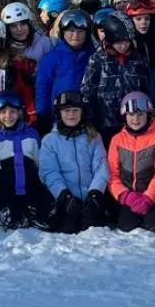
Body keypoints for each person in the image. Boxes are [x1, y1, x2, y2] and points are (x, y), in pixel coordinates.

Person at [39, 89, 110, 232]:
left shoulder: (93, 137)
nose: (71, 114)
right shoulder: (50, 140)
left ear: (82, 112)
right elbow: (49, 172)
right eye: (66, 111)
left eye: (75, 110)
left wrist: (95, 194)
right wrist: (64, 196)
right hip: (67, 200)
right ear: (59, 113)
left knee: (94, 229)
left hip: (90, 199)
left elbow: (101, 167)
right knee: (68, 229)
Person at [0, 91, 49, 230]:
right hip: (6, 191)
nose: (8, 116)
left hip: (29, 189)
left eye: (12, 111)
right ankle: (4, 211)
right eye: (3, 112)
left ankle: (35, 207)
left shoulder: (31, 134)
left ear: (19, 113)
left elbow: (40, 165)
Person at [106, 91, 155, 232]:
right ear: (125, 116)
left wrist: (149, 197)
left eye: (140, 114)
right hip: (128, 197)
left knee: (154, 225)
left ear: (148, 114)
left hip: (151, 196)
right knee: (126, 226)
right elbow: (112, 174)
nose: (136, 119)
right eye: (131, 115)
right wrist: (124, 195)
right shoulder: (117, 140)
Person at [33, 9, 96, 133]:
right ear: (63, 32)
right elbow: (42, 87)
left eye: (80, 32)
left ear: (87, 33)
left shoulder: (94, 56)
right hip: (60, 116)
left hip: (88, 117)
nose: (75, 36)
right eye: (71, 31)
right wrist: (42, 114)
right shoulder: (52, 58)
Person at [125, 0, 155, 68]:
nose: (143, 22)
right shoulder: (126, 44)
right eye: (138, 19)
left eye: (147, 18)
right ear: (130, 21)